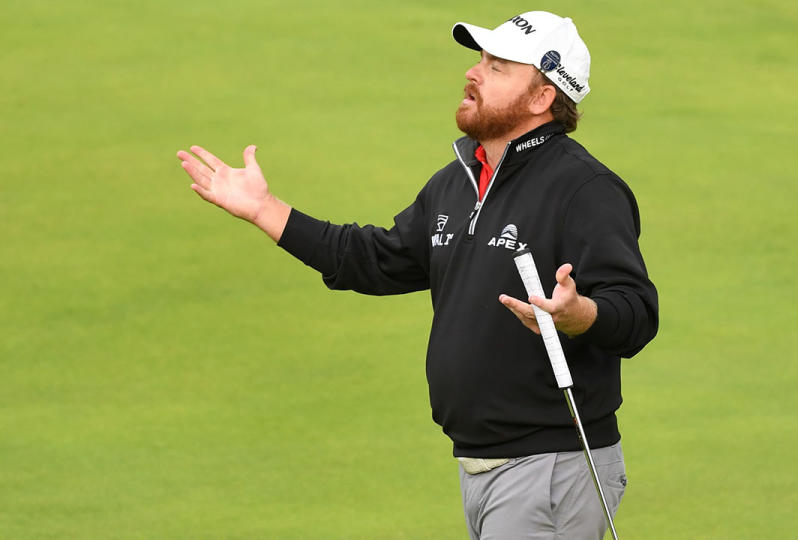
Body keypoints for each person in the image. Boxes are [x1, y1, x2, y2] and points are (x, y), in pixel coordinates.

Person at [177, 11, 658, 539]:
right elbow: (375, 259)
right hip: (480, 466)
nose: (474, 73)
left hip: (552, 466)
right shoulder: (456, 183)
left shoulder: (584, 188)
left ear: (542, 97)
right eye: (480, 60)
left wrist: (578, 314)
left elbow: (635, 313)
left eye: (498, 67)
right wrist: (265, 209)